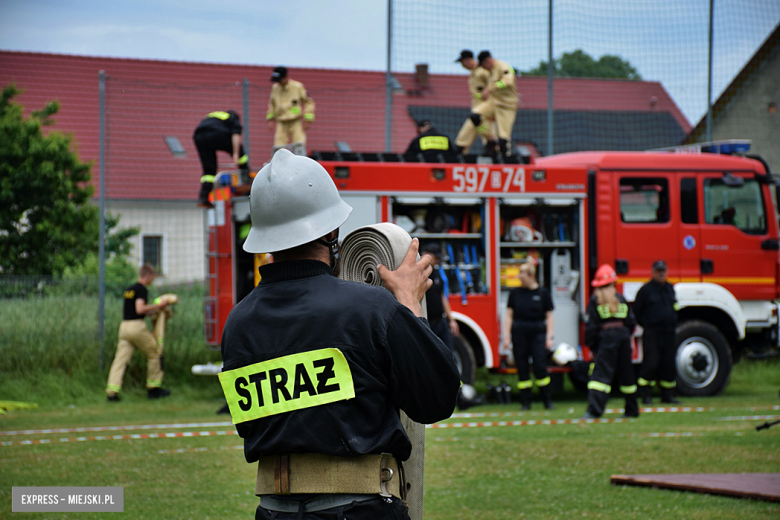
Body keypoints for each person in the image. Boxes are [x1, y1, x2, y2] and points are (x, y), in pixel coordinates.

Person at [219, 149, 460, 519]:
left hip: (272, 512)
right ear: (331, 230)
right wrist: (410, 307)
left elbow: (253, 423)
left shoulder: (238, 324)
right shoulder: (370, 309)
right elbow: (436, 399)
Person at [105, 264, 171, 401]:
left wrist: (152, 311)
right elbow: (140, 309)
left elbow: (134, 310)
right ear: (148, 275)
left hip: (124, 327)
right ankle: (154, 389)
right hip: (136, 327)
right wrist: (159, 306)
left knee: (120, 360)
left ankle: (112, 392)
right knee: (154, 353)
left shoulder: (129, 289)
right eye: (152, 277)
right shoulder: (141, 289)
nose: (152, 280)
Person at [582, 264, 639, 419]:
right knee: (627, 376)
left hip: (606, 339)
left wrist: (592, 346)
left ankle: (594, 410)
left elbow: (591, 327)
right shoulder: (621, 299)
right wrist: (629, 340)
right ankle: (632, 410)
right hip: (623, 337)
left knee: (600, 376)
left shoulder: (595, 300)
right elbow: (631, 322)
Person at [502, 261, 555, 410]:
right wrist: (506, 336)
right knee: (522, 367)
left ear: (532, 276)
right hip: (519, 333)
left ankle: (547, 400)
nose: (520, 279)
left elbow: (549, 316)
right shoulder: (515, 293)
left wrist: (549, 337)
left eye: (523, 276)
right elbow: (509, 316)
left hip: (537, 332)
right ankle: (525, 402)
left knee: (540, 366)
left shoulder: (542, 293)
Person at [633, 260, 681, 405]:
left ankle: (667, 395)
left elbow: (675, 307)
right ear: (653, 272)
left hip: (669, 332)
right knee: (651, 363)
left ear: (667, 272)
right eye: (658, 271)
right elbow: (637, 311)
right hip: (653, 333)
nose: (661, 274)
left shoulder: (670, 288)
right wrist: (648, 325)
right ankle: (646, 394)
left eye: (663, 271)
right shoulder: (645, 290)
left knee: (668, 364)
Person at [455, 50, 518, 158]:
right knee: (476, 121)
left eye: (463, 62)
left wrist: (490, 90)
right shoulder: (482, 72)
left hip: (500, 105)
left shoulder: (484, 71)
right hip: (486, 107)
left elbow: (507, 80)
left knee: (501, 137)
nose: (462, 66)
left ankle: (496, 148)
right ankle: (491, 140)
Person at [193, 110, 251, 208]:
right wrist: (236, 154)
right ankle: (247, 181)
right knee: (241, 153)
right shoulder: (232, 117)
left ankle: (204, 197)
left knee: (209, 170)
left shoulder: (214, 115)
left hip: (199, 135)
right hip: (216, 133)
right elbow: (236, 135)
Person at [267, 66, 315, 155]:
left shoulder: (297, 87)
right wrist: (271, 119)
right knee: (278, 147)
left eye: (280, 79)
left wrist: (308, 119)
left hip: (295, 121)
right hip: (281, 121)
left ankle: (300, 166)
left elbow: (309, 102)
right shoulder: (275, 88)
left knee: (299, 146)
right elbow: (272, 104)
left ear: (286, 77)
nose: (279, 82)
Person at [421, 243, 459, 354]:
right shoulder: (419, 274)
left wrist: (451, 319)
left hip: (440, 322)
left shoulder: (435, 272)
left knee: (448, 354)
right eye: (436, 258)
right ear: (425, 255)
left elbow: (442, 296)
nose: (437, 261)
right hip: (427, 324)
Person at [455, 49, 492, 154]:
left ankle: (492, 142)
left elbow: (495, 85)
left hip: (486, 112)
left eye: (462, 63)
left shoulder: (482, 72)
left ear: (467, 60)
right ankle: (460, 158)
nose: (462, 66)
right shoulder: (473, 74)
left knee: (489, 140)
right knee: (464, 139)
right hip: (476, 114)